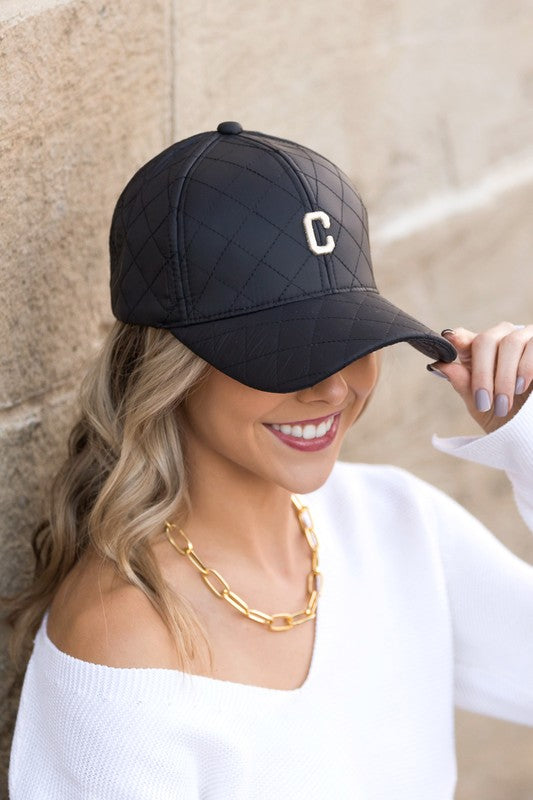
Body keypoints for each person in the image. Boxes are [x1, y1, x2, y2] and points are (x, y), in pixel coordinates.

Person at [5, 121, 533, 800]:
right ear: (172, 369)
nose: (330, 387)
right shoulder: (123, 640)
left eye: (350, 339)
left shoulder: (392, 523)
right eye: (282, 353)